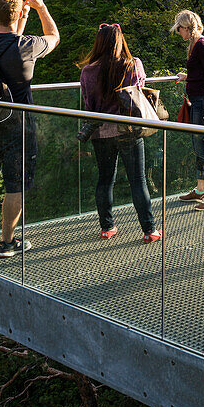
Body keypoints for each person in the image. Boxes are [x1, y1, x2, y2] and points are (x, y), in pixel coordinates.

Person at [0, 0, 59, 257]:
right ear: (18, 13)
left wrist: (21, 16)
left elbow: (6, 41)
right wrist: (40, 8)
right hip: (19, 123)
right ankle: (7, 242)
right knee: (15, 184)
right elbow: (54, 37)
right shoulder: (26, 46)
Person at [78, 23, 161, 243]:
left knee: (105, 180)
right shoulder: (133, 65)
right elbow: (139, 91)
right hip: (129, 131)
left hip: (100, 132)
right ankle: (149, 230)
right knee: (138, 181)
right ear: (120, 41)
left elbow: (88, 102)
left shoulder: (87, 71)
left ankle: (107, 228)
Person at [172, 10, 204, 210]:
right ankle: (201, 190)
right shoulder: (195, 45)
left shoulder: (201, 45)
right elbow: (202, 73)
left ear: (188, 27)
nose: (179, 33)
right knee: (198, 145)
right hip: (197, 100)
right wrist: (188, 76)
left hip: (202, 102)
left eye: (180, 29)